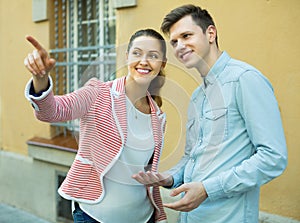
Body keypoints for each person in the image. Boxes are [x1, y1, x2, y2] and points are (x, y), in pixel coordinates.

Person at [132, 4, 288, 223]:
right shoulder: (198, 96)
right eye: (174, 42)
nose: (180, 46)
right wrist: (169, 178)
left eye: (187, 36)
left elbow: (273, 157)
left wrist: (207, 189)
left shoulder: (244, 79)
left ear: (210, 33)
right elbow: (193, 158)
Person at [24, 28, 168, 223]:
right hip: (94, 216)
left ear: (162, 64)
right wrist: (40, 80)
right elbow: (53, 111)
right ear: (127, 57)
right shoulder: (98, 93)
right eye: (137, 53)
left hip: (143, 217)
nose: (144, 61)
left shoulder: (158, 116)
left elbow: (148, 174)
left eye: (153, 55)